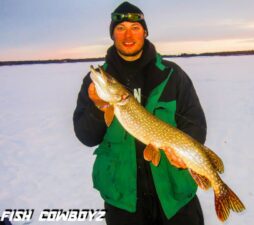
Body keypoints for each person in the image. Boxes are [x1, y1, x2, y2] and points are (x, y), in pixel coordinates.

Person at [73, 2, 207, 225]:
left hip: (174, 196)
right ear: (112, 34)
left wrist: (182, 155)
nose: (128, 35)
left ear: (144, 31)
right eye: (120, 28)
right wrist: (99, 107)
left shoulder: (173, 75)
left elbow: (196, 124)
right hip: (123, 200)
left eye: (135, 28)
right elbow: (86, 136)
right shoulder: (95, 84)